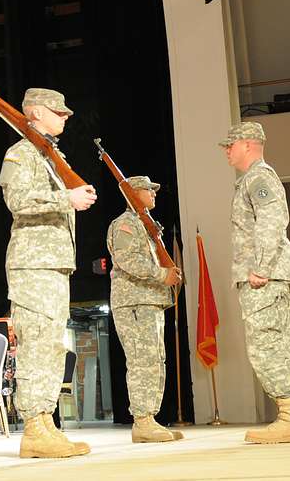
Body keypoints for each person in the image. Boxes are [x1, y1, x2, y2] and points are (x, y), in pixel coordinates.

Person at [0, 87, 94, 458]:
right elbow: (17, 201)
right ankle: (35, 427)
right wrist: (65, 198)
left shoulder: (51, 156)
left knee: (53, 345)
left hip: (52, 263)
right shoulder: (21, 153)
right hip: (32, 264)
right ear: (35, 113)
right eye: (59, 111)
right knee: (38, 341)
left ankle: (46, 422)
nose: (66, 116)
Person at [221, 121, 290, 444]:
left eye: (230, 145)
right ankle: (288, 415)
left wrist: (261, 267)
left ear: (247, 144)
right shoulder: (250, 179)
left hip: (265, 278)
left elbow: (272, 221)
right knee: (271, 344)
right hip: (266, 276)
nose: (227, 151)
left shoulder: (259, 177)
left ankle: (289, 418)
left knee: (268, 345)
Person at [106, 175, 183, 443]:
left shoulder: (147, 226)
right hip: (134, 301)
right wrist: (163, 276)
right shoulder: (125, 224)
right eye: (149, 190)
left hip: (149, 300)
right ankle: (142, 420)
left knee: (154, 360)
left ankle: (149, 419)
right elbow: (128, 261)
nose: (154, 194)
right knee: (142, 361)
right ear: (134, 193)